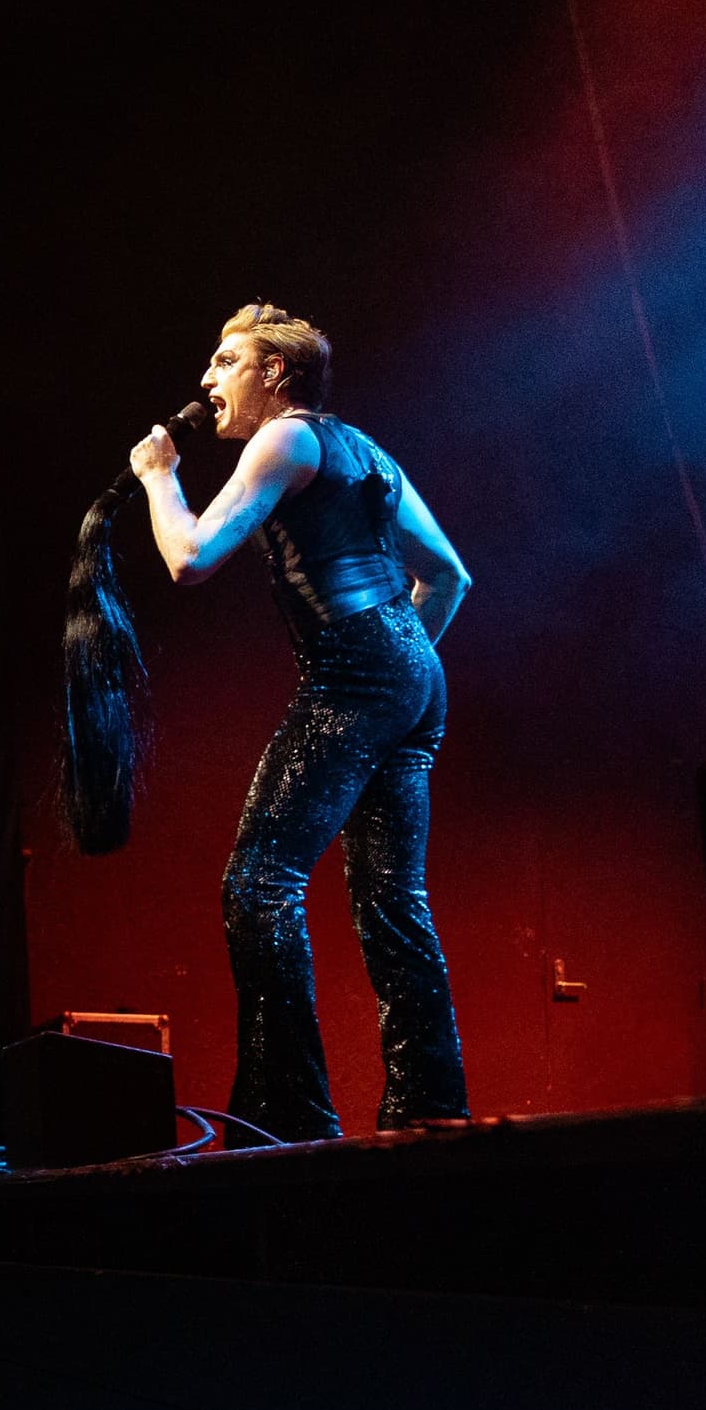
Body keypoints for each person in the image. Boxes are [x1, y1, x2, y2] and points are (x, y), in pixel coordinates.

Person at [128, 300, 474, 1142]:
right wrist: (397, 674)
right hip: (413, 671)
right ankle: (429, 1106)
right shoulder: (367, 450)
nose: (207, 379)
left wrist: (157, 477)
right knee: (395, 901)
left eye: (225, 361)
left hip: (360, 667)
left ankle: (289, 1114)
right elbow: (450, 577)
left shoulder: (281, 440)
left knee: (259, 883)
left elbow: (189, 558)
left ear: (272, 373)